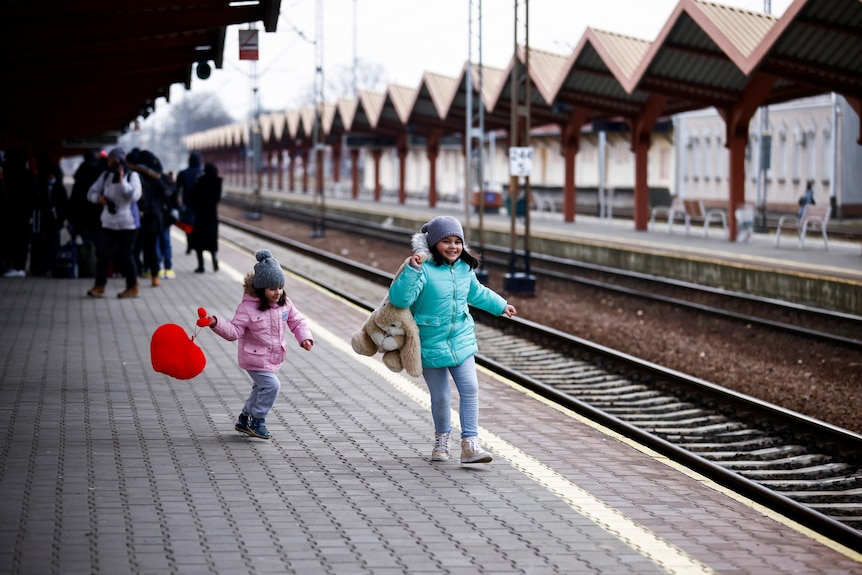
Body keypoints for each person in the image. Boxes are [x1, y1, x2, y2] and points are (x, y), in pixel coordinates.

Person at [389, 216, 517, 464]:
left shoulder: (463, 268)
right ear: (434, 243)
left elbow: (477, 293)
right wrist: (412, 272)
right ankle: (441, 439)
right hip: (429, 340)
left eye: (457, 241)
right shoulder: (421, 267)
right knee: (441, 397)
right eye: (446, 241)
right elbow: (400, 300)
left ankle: (470, 444)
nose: (453, 247)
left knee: (470, 388)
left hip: (460, 337)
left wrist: (501, 305)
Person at [197, 249, 314, 439]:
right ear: (261, 289)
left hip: (272, 357)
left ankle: (244, 419)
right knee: (272, 386)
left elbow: (297, 321)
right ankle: (257, 420)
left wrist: (304, 337)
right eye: (272, 289)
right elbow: (234, 331)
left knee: (261, 388)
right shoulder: (247, 308)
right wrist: (215, 322)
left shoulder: (285, 304)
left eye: (280, 287)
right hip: (254, 358)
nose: (277, 293)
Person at [85, 147, 142, 299]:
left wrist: (122, 180)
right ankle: (99, 286)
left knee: (126, 255)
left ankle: (132, 286)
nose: (112, 165)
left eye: (115, 162)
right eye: (110, 162)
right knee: (104, 255)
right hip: (109, 222)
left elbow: (134, 196)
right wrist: (99, 198)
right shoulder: (105, 176)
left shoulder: (132, 176)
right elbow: (90, 193)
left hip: (128, 223)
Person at [29, 155, 70, 277]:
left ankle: (46, 267)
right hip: (47, 221)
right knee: (46, 244)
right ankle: (44, 267)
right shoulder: (44, 186)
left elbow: (64, 205)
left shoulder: (49, 187)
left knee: (47, 244)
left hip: (50, 221)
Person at [1, 147, 36, 277]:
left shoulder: (7, 173)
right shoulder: (28, 175)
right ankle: (18, 266)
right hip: (23, 214)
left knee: (11, 240)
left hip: (9, 213)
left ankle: (14, 266)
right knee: (21, 241)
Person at [189, 162, 222, 273]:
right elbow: (217, 199)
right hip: (212, 217)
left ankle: (201, 266)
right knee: (212, 242)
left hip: (200, 217)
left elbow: (192, 197)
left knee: (199, 243)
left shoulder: (200, 181)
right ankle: (214, 262)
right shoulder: (217, 182)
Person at [176, 152, 203, 255]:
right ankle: (197, 246)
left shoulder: (183, 173)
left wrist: (177, 204)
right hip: (200, 205)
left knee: (188, 226)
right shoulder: (202, 173)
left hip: (188, 204)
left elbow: (177, 190)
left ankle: (189, 245)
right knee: (199, 227)